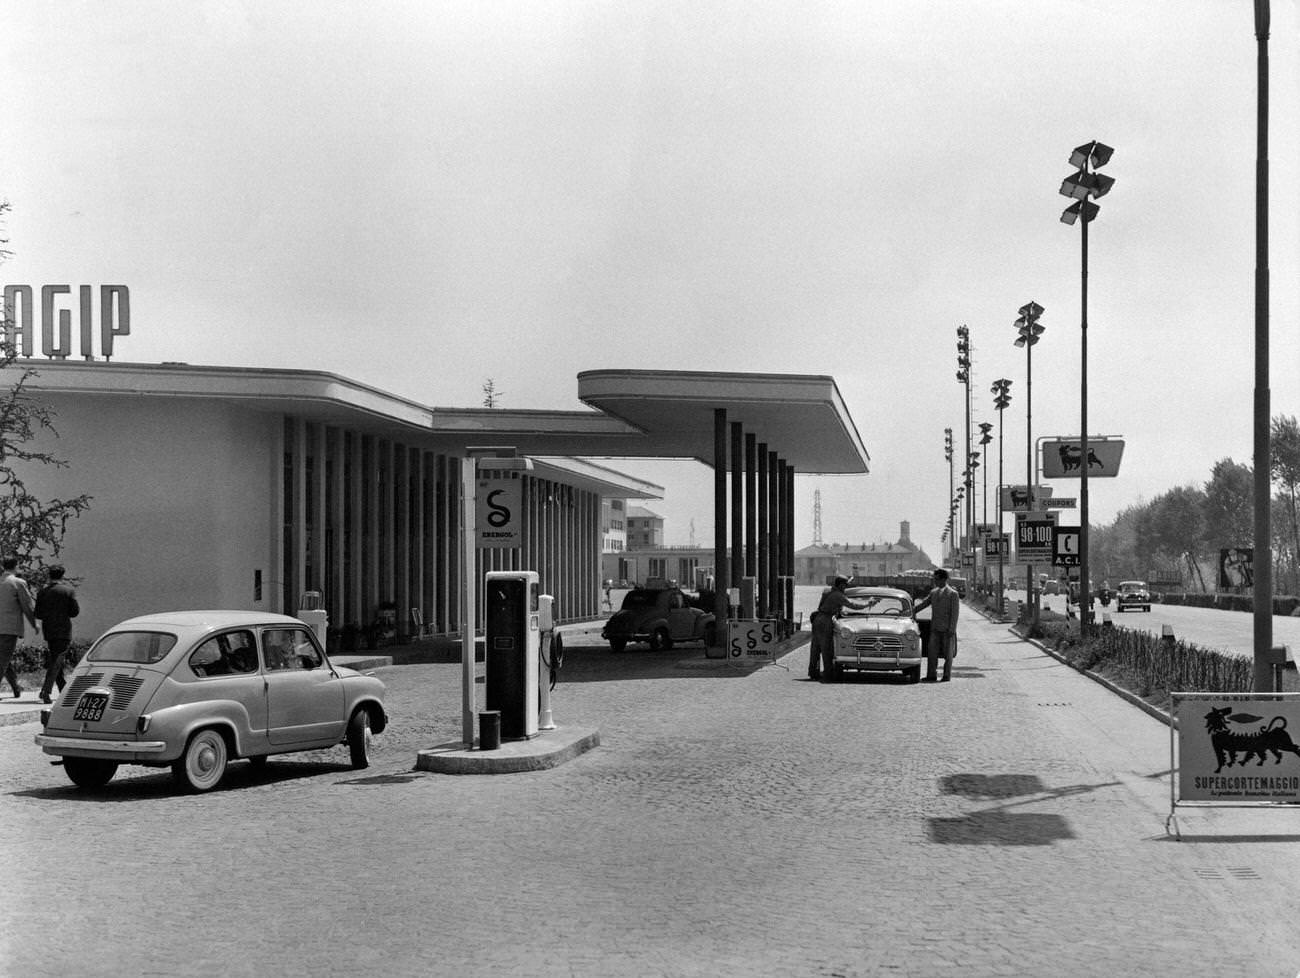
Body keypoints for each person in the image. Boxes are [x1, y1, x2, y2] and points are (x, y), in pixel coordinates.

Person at [808, 576, 867, 683]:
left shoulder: (827, 591)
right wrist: (868, 603)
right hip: (826, 620)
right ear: (841, 585)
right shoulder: (838, 595)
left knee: (816, 648)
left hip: (818, 618)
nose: (845, 587)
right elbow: (853, 605)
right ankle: (828, 675)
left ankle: (813, 672)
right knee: (827, 649)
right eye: (845, 585)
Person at [35, 564, 80, 704]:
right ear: (62, 575)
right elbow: (74, 612)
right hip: (63, 629)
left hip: (49, 629)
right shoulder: (68, 591)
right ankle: (46, 690)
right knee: (57, 659)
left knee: (56, 659)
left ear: (49, 575)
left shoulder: (42, 592)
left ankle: (63, 689)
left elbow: (38, 613)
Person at [913, 568, 960, 682]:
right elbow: (924, 604)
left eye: (937, 579)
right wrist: (911, 611)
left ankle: (946, 675)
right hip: (934, 628)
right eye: (934, 579)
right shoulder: (933, 593)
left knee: (948, 655)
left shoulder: (953, 594)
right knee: (932, 652)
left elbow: (955, 613)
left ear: (944, 579)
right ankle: (931, 675)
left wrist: (952, 629)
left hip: (947, 629)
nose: (935, 581)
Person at [0, 556, 37, 699]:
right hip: (9, 628)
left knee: (3, 659)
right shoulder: (18, 583)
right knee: (3, 659)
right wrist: (34, 624)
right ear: (16, 566)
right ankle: (15, 687)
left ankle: (15, 687)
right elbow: (27, 606)